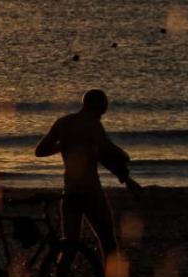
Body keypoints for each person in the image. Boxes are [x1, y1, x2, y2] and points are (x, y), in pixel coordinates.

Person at [34, 88, 137, 260]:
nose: (101, 116)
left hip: (70, 193)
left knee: (70, 247)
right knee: (108, 242)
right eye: (102, 111)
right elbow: (107, 150)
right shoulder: (92, 123)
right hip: (91, 193)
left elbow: (40, 151)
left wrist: (61, 145)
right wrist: (125, 157)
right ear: (98, 108)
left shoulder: (63, 123)